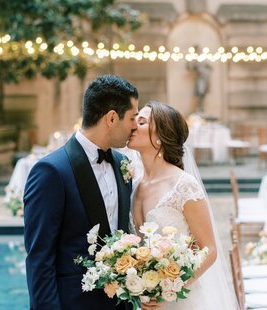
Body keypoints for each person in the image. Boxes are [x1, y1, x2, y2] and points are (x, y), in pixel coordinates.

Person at [23, 74, 139, 310]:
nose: (135, 126)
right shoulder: (51, 171)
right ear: (112, 118)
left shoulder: (122, 164)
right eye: (132, 118)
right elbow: (39, 258)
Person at [127, 101, 239, 310]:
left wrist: (169, 291)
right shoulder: (132, 183)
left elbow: (209, 249)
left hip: (180, 300)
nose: (132, 125)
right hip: (140, 299)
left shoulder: (183, 185)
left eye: (141, 122)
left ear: (159, 137)